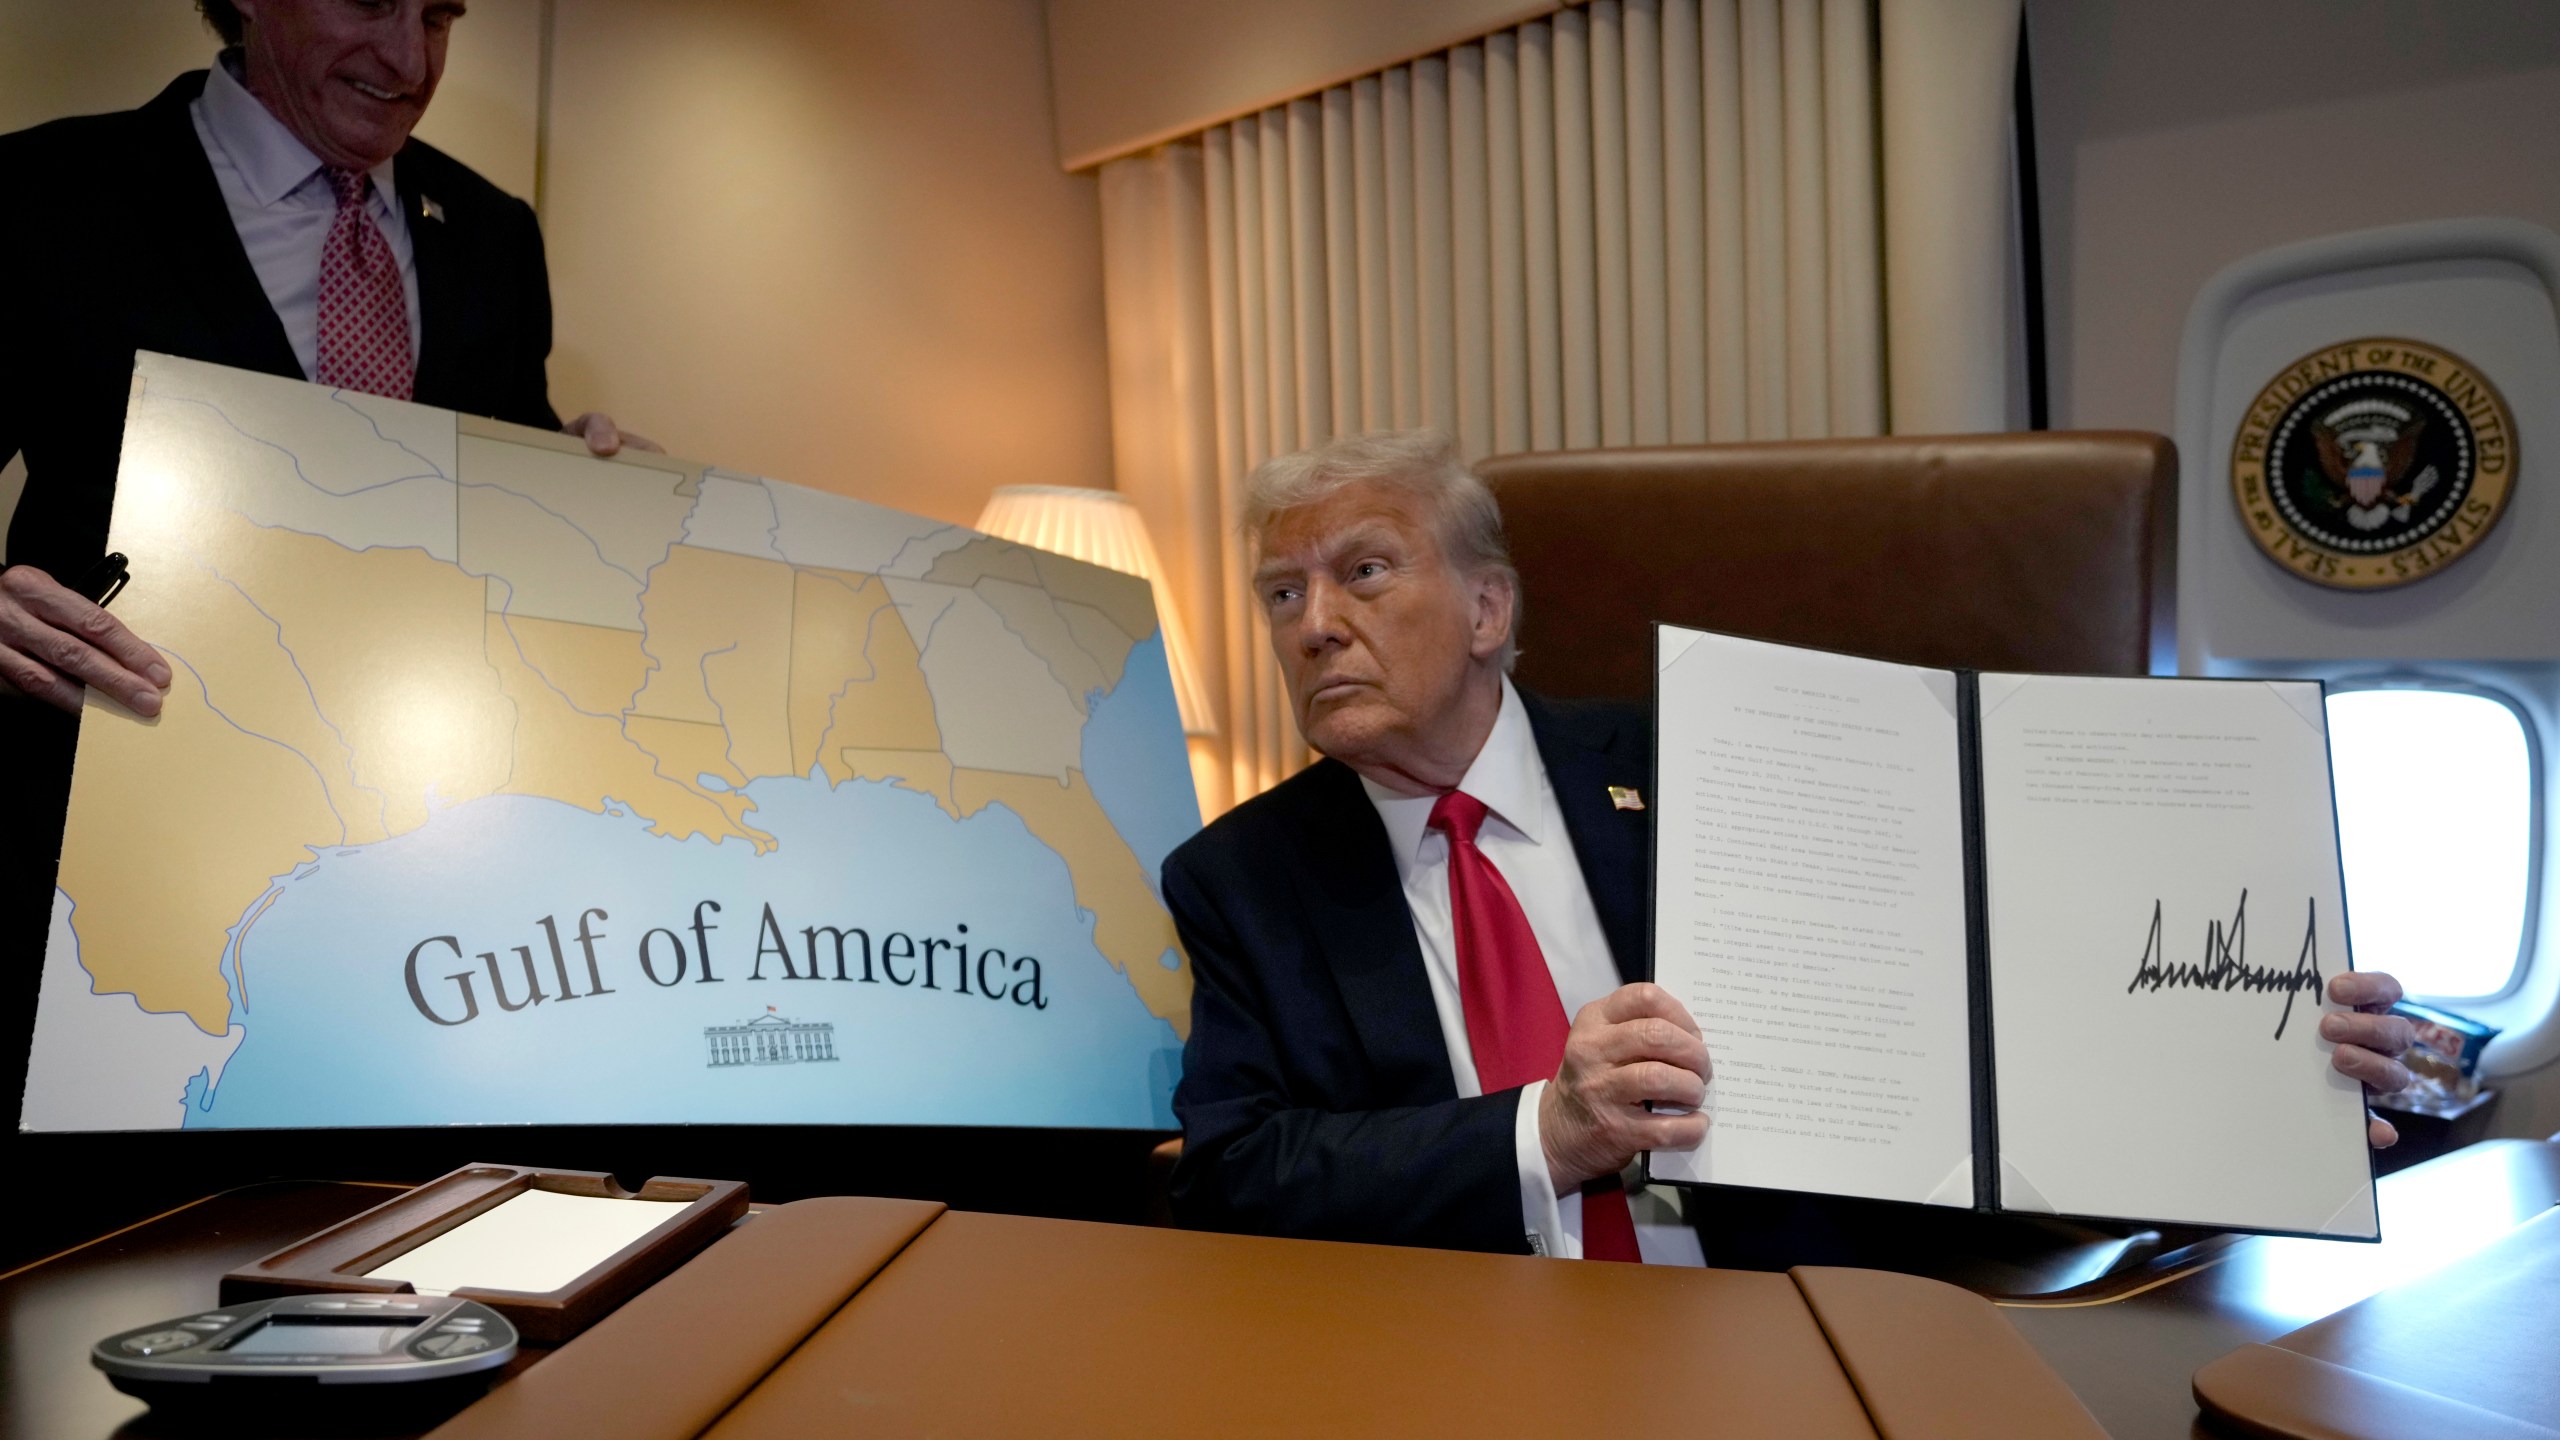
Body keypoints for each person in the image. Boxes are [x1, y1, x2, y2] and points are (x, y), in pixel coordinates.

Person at [1163, 429, 2418, 1262]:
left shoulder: (1718, 767)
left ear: (1488, 607)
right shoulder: (1241, 878)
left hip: (1786, 1311)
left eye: (1364, 573)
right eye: (1284, 593)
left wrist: (2254, 1093)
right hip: (1461, 1355)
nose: (1315, 625)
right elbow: (1235, 1170)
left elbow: (1976, 1035)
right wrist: (1544, 1132)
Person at [0, 0, 654, 719]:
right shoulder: (39, 195)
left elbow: (506, 504)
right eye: (372, 3)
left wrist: (580, 491)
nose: (410, 63)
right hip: (111, 784)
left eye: (439, 18)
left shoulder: (494, 235)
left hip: (413, 786)